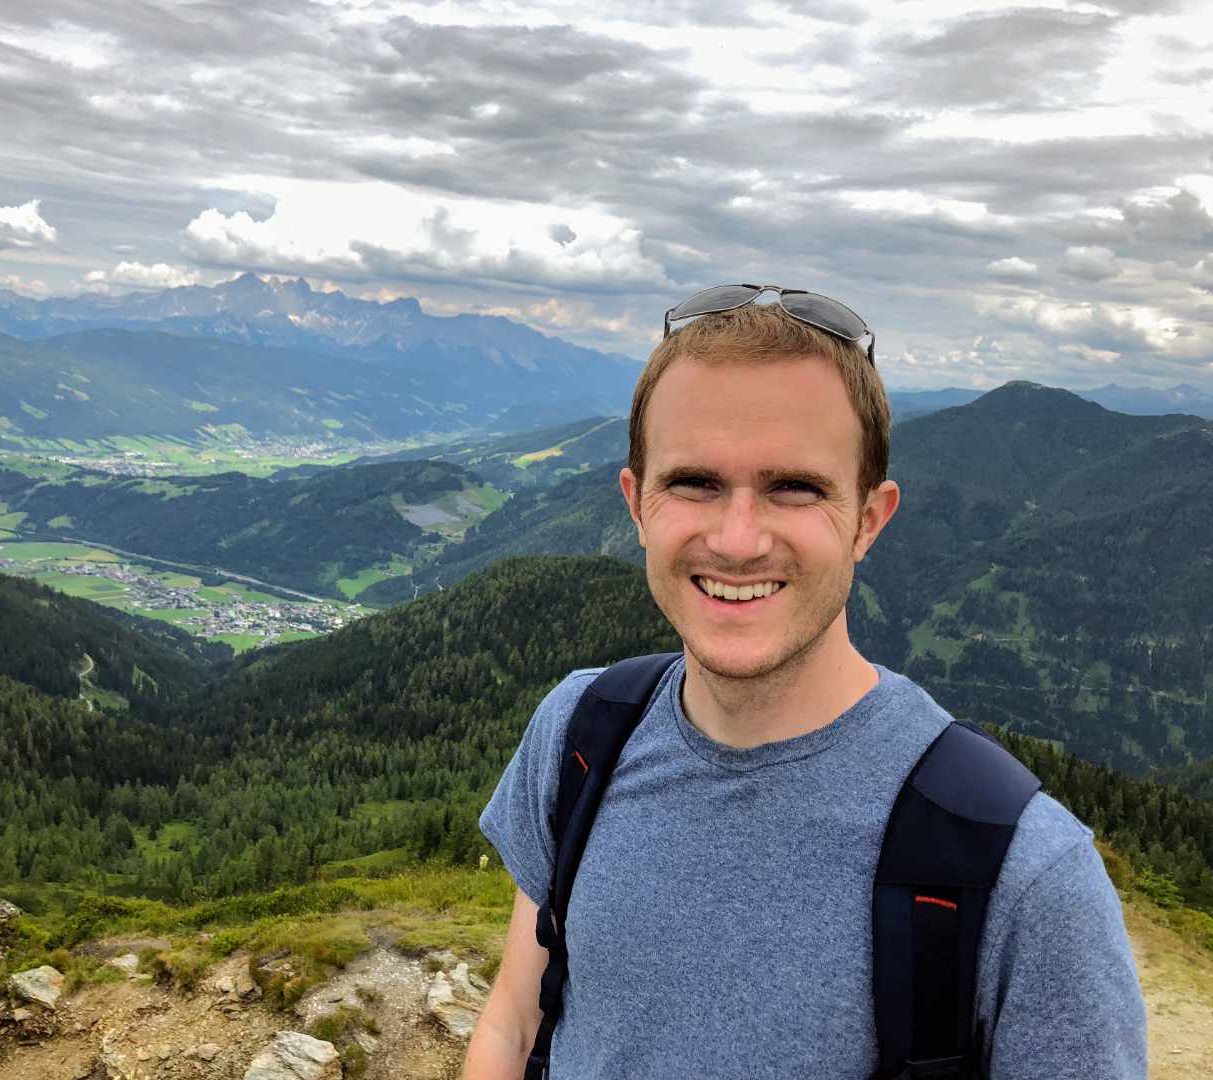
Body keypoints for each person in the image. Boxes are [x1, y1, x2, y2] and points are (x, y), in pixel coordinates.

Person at [464, 287, 1147, 1079]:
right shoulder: (580, 737)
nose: (738, 538)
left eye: (795, 487)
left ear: (869, 519)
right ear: (636, 505)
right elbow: (515, 1023)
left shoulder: (1026, 877)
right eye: (694, 482)